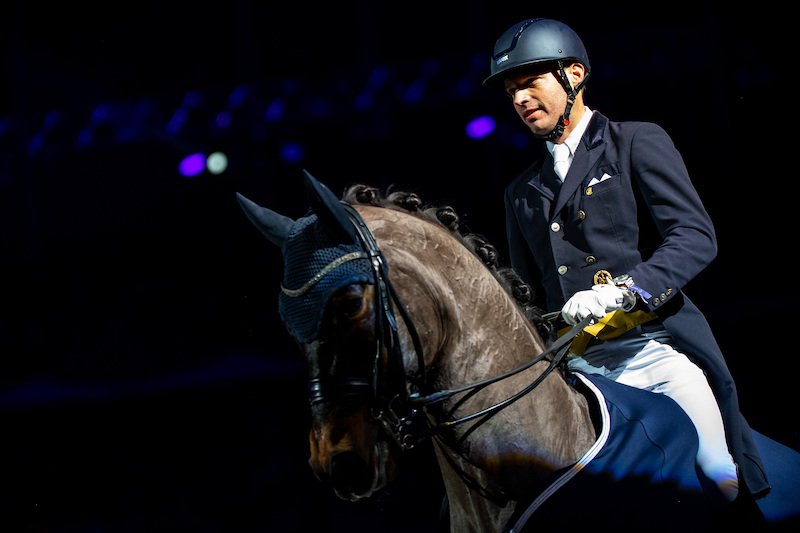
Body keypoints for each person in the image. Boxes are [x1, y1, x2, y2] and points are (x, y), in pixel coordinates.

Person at [482, 17, 770, 509]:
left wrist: (625, 289)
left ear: (573, 75)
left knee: (718, 473)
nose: (519, 100)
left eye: (529, 84)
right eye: (511, 92)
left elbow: (695, 236)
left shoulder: (634, 142)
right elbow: (525, 294)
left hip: (654, 352)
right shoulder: (520, 193)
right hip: (579, 371)